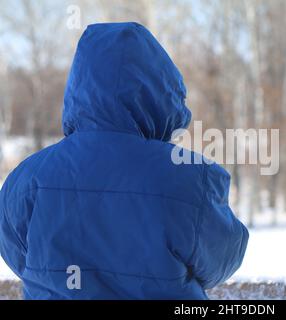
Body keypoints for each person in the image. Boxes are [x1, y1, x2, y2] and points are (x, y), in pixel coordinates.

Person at [0, 22, 248, 299]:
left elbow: (19, 257)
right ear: (160, 92)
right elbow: (221, 259)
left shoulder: (26, 179)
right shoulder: (189, 176)